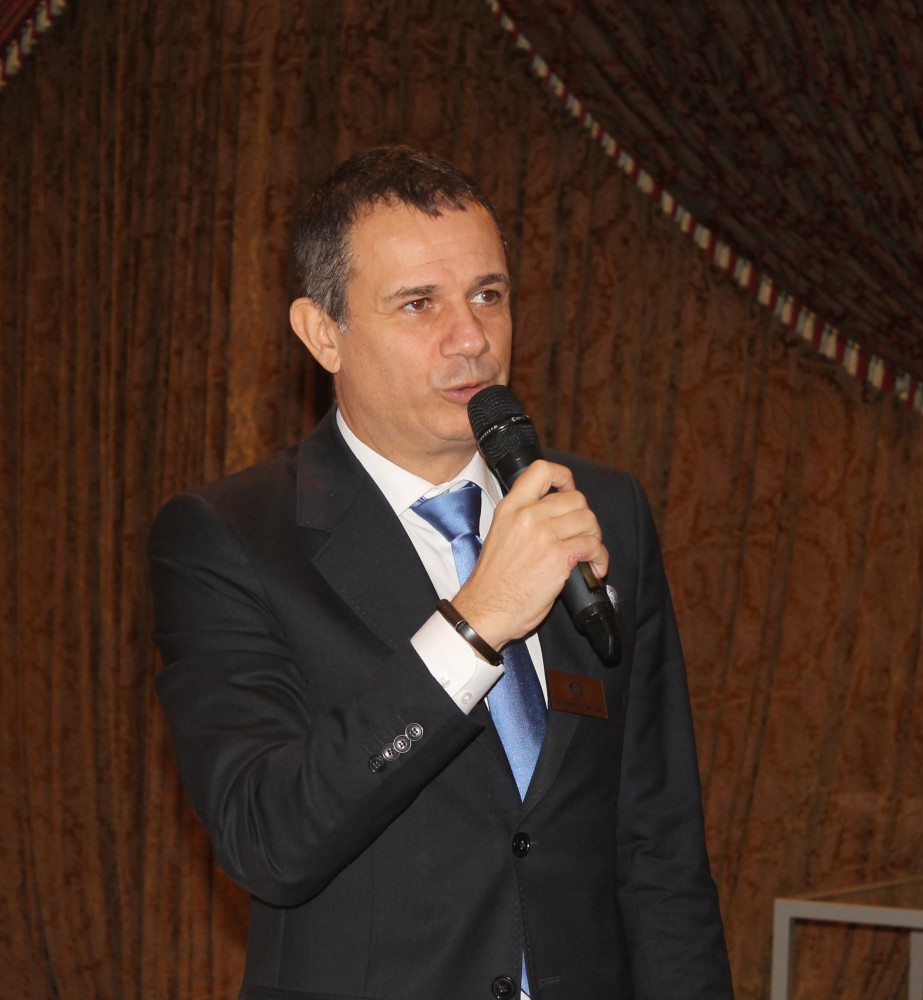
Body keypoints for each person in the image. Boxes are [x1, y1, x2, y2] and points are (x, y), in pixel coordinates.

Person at [149, 145, 734, 1000]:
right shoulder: (229, 537)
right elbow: (266, 838)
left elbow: (659, 842)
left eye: (487, 295)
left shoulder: (594, 507)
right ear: (322, 334)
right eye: (419, 304)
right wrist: (476, 621)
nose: (472, 339)